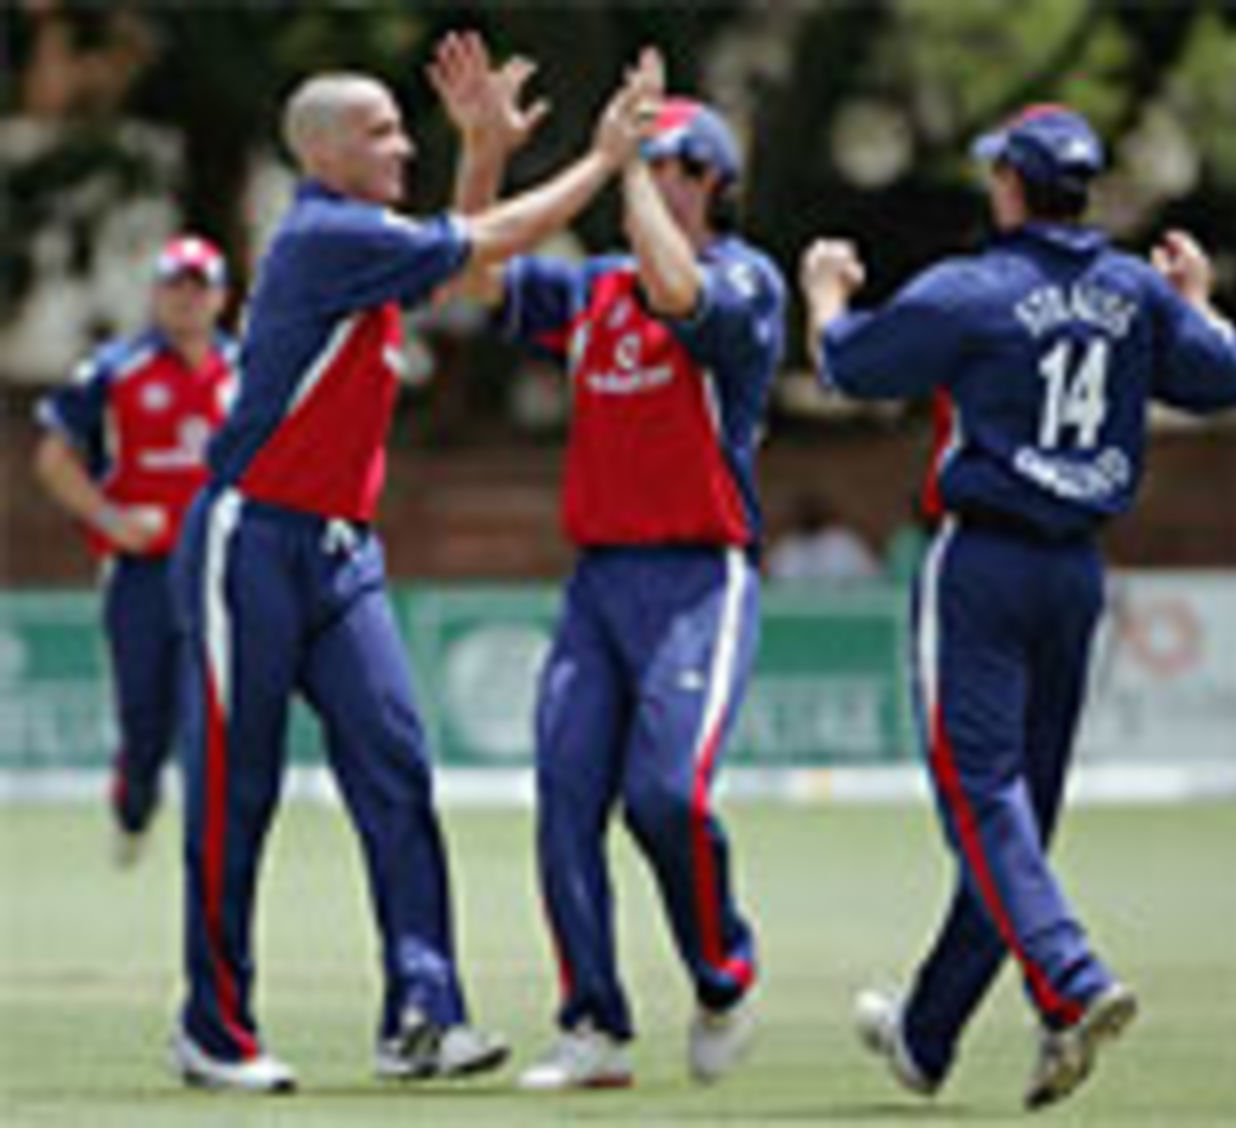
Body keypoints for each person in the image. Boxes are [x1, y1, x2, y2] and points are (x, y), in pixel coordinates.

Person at [168, 48, 658, 1093]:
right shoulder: (321, 235)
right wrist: (604, 159)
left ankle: (422, 1014)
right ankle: (213, 1028)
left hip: (341, 548)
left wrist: (481, 148)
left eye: (402, 128)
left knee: (395, 769)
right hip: (248, 539)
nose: (401, 146)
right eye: (383, 131)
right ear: (323, 151)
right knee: (234, 789)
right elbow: (485, 242)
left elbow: (457, 275)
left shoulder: (367, 243)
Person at [799, 103, 1236, 1110]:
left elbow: (845, 366)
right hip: (1075, 572)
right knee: (1014, 815)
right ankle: (925, 1038)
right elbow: (1230, 380)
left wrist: (826, 295)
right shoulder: (1133, 291)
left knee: (980, 796)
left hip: (982, 564)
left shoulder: (972, 289)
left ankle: (1068, 980)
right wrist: (1199, 300)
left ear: (1008, 185)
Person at [434, 41, 786, 1089]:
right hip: (597, 583)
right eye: (649, 160)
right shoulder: (591, 290)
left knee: (664, 799)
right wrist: (484, 154)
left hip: (696, 578)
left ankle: (720, 974)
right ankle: (592, 1026)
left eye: (671, 162)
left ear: (708, 183)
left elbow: (676, 296)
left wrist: (618, 166)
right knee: (564, 800)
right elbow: (474, 276)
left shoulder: (742, 279)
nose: (652, 174)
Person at [33, 235, 234, 866]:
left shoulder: (248, 370)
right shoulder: (116, 369)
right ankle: (135, 802)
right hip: (143, 572)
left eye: (199, 288)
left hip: (222, 571)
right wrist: (109, 518)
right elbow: (53, 455)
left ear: (221, 297)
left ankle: (215, 844)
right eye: (174, 286)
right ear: (154, 294)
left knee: (219, 713)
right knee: (146, 718)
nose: (186, 301)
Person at [766, 491, 880, 584]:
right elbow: (773, 581)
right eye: (805, 510)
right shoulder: (788, 544)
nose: (809, 513)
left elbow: (872, 578)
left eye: (813, 509)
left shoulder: (844, 541)